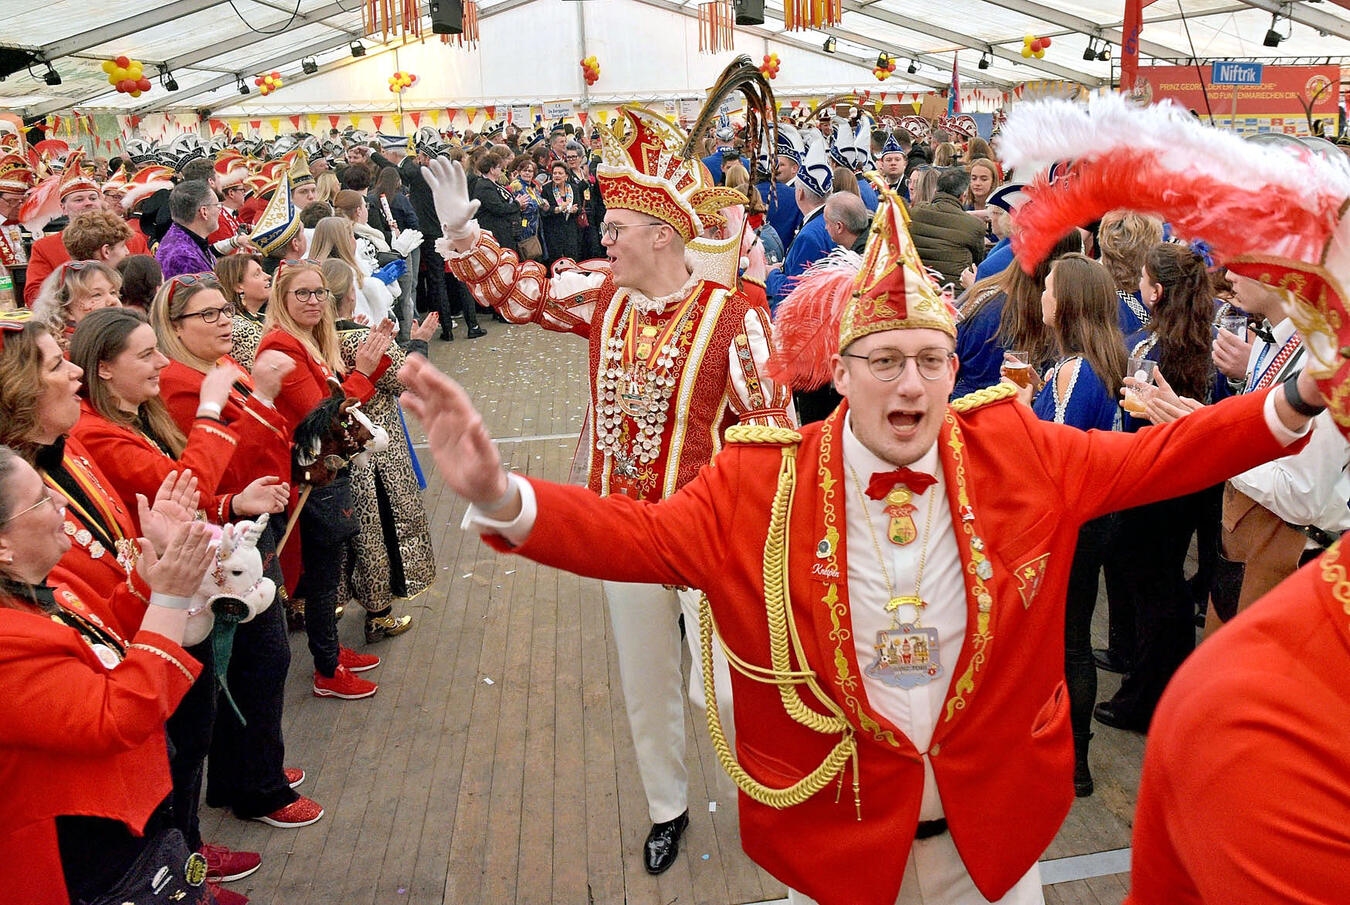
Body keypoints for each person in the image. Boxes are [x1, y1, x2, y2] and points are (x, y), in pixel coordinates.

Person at [399, 189, 1321, 905]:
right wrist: (502, 495)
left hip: (990, 858)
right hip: (838, 854)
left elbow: (1165, 452)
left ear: (953, 369)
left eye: (929, 358)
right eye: (884, 361)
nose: (910, 382)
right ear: (839, 374)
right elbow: (639, 536)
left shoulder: (1016, 449)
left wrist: (1296, 402)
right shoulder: (762, 481)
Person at [424, 98, 792, 877]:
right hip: (622, 531)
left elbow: (773, 439)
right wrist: (463, 232)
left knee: (723, 692)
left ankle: (770, 787)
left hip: (711, 539)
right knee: (645, 681)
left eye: (617, 228)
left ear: (664, 234)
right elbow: (519, 292)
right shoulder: (605, 299)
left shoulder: (737, 317)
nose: (603, 238)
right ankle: (668, 806)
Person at [0, 446, 217, 904]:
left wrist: (152, 573)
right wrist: (170, 598)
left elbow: (104, 640)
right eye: (42, 498)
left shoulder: (36, 587)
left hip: (120, 826)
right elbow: (115, 714)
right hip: (84, 857)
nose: (62, 504)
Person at [150, 272, 325, 830]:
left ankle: (241, 774)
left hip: (253, 516)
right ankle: (261, 790)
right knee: (260, 659)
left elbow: (269, 436)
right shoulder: (182, 384)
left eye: (226, 310)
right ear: (174, 328)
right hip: (229, 530)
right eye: (209, 315)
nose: (225, 321)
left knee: (249, 658)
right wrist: (268, 395)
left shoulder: (218, 371)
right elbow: (224, 456)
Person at [1093, 242, 1230, 733]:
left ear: (1157, 291)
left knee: (1156, 584)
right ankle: (1140, 664)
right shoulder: (1199, 339)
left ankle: (1149, 696)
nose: (1139, 285)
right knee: (1156, 578)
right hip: (1184, 483)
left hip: (1156, 478)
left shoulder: (1162, 348)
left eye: (1146, 278)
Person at [255, 260, 397, 699]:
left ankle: (329, 655)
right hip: (310, 479)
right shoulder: (282, 346)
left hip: (321, 474)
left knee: (327, 571)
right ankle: (327, 668)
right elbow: (322, 418)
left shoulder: (307, 342)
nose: (315, 301)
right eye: (304, 294)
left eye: (320, 293)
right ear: (282, 298)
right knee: (321, 573)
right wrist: (367, 371)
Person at [1029, 253, 1127, 797]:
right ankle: (1078, 759)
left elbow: (1055, 454)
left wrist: (1023, 410)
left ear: (1065, 303)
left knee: (1063, 641)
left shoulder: (1074, 369)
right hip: (1099, 517)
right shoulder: (1101, 359)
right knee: (1076, 639)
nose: (1042, 295)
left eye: (1048, 288)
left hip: (1069, 522)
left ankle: (1067, 757)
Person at [323, 260, 438, 633]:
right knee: (377, 533)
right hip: (375, 456)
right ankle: (379, 614)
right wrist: (418, 342)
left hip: (332, 456)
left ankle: (330, 607)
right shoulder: (361, 339)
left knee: (339, 541)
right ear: (351, 294)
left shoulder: (313, 341)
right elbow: (411, 379)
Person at [32, 260, 123, 342]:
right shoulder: (61, 354)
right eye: (96, 295)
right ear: (67, 310)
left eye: (113, 292)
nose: (112, 300)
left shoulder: (126, 335)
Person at [155, 180, 221, 280]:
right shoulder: (183, 257)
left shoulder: (185, 239)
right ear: (204, 212)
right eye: (217, 206)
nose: (219, 211)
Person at [217, 252, 272, 370]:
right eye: (257, 274)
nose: (268, 276)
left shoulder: (262, 317)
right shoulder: (239, 329)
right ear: (238, 286)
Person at [538, 161, 580, 266]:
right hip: (553, 230)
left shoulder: (573, 188)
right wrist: (558, 209)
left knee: (571, 258)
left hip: (570, 229)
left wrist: (575, 210)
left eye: (560, 173)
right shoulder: (547, 189)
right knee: (555, 260)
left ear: (566, 176)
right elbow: (544, 211)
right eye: (555, 173)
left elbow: (578, 207)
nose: (557, 175)